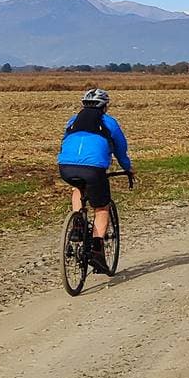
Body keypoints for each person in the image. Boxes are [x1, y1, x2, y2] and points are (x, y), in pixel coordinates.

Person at [58, 87, 133, 274]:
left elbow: (65, 141)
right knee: (101, 207)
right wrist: (127, 168)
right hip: (94, 169)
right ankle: (97, 250)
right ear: (104, 106)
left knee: (78, 188)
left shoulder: (73, 120)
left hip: (65, 166)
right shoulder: (109, 122)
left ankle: (77, 225)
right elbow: (120, 149)